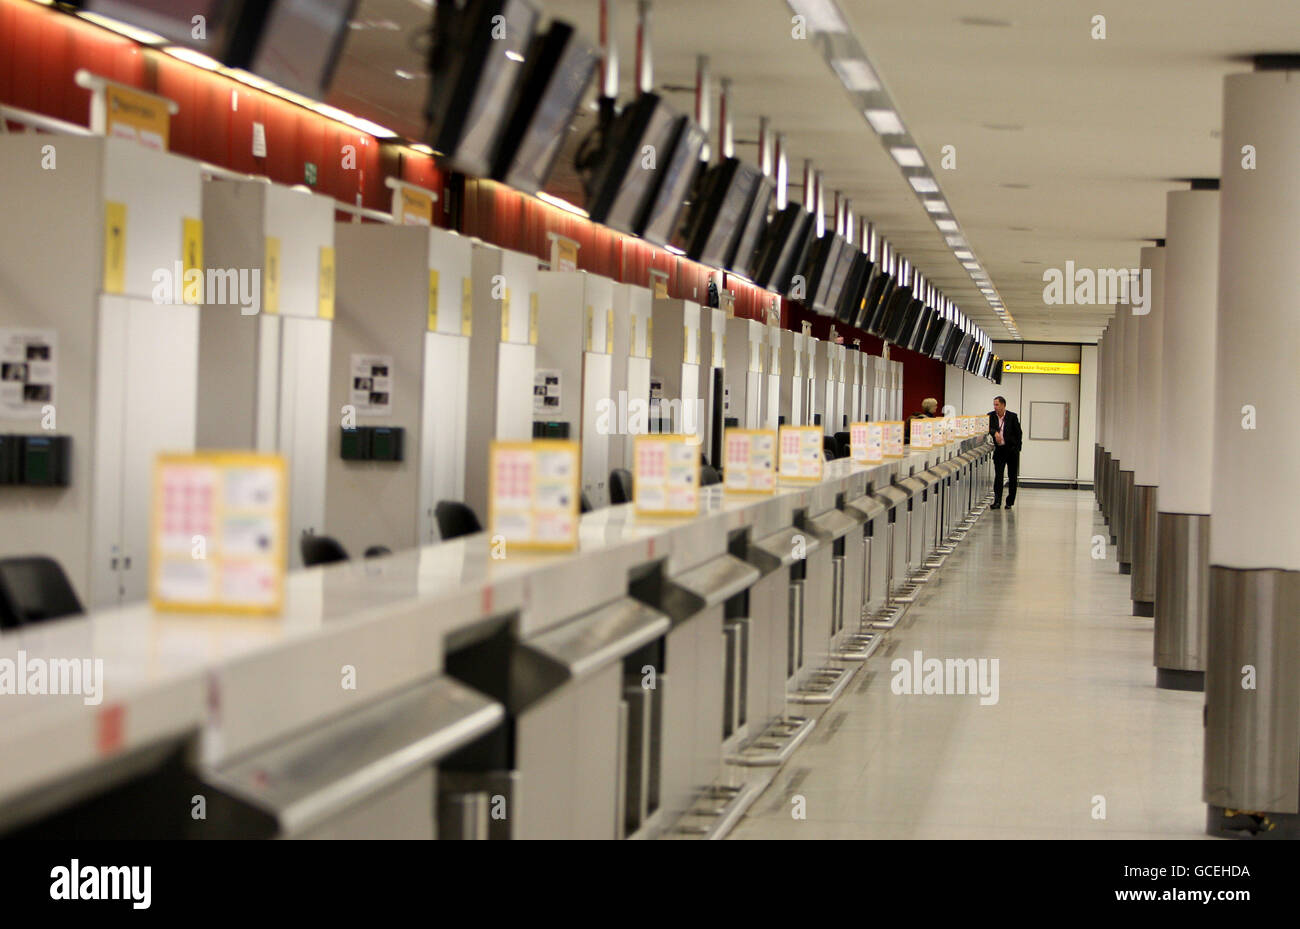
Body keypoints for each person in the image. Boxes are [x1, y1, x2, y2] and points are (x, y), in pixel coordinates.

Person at [988, 396, 1022, 509]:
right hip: (999, 450)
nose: (995, 407)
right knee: (999, 476)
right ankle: (997, 501)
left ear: (1003, 405)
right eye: (994, 405)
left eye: (997, 405)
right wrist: (994, 433)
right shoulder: (991, 416)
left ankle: (1009, 502)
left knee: (1012, 477)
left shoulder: (1012, 416)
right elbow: (986, 427)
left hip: (1012, 451)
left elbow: (1019, 433)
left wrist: (1017, 449)